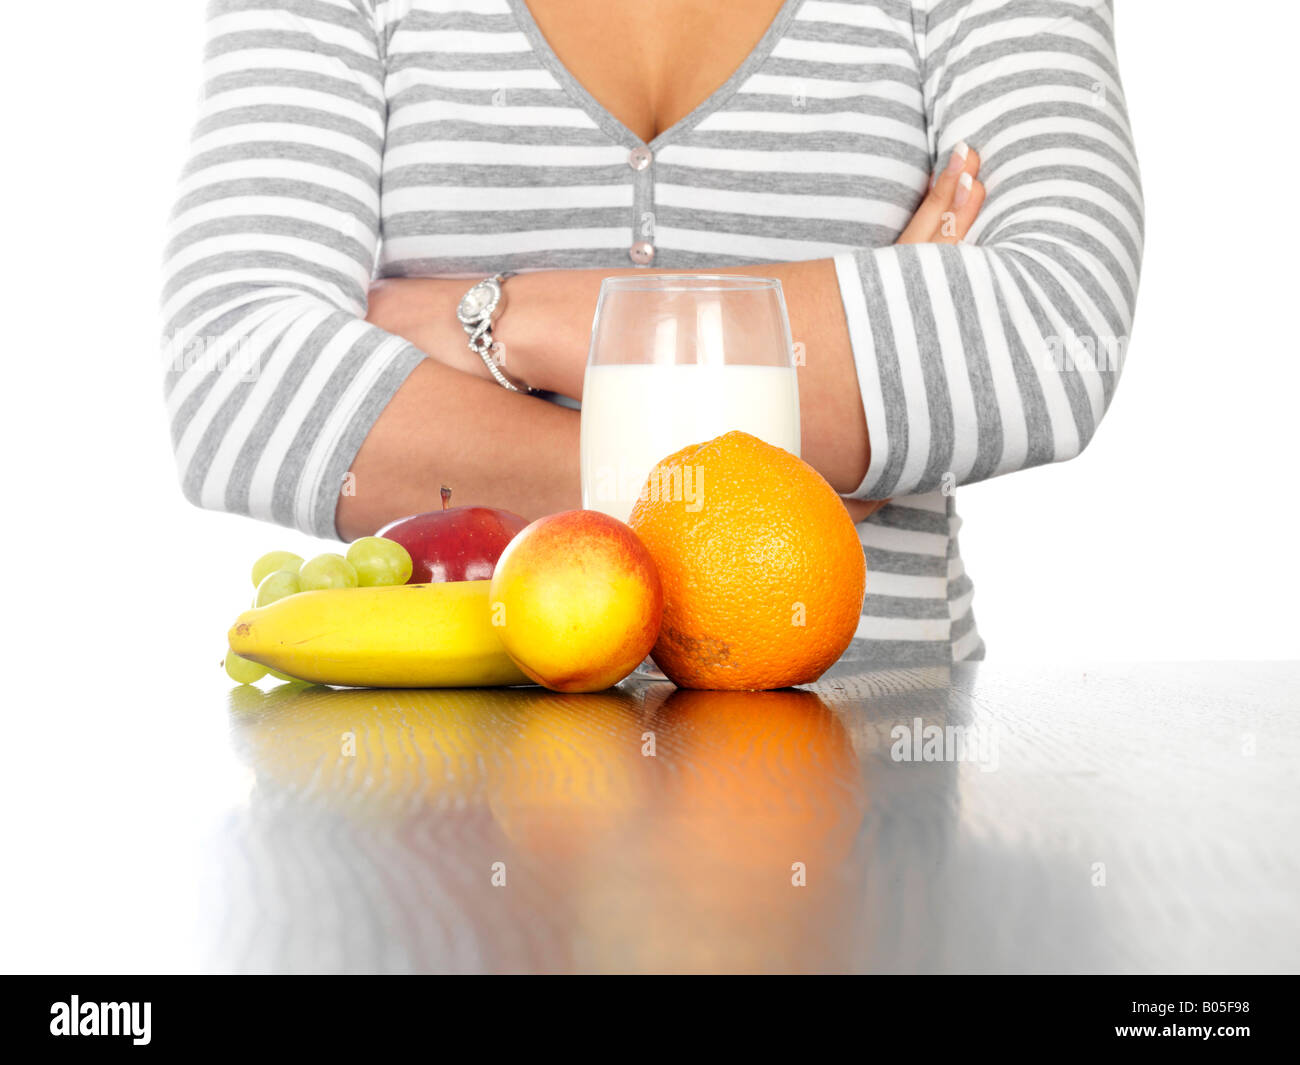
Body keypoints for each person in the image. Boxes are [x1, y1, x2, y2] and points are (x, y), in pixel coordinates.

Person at [162, 0, 1143, 665]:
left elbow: (1039, 334)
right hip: (439, 830)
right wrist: (803, 475)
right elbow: (238, 378)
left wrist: (502, 319)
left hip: (877, 792)